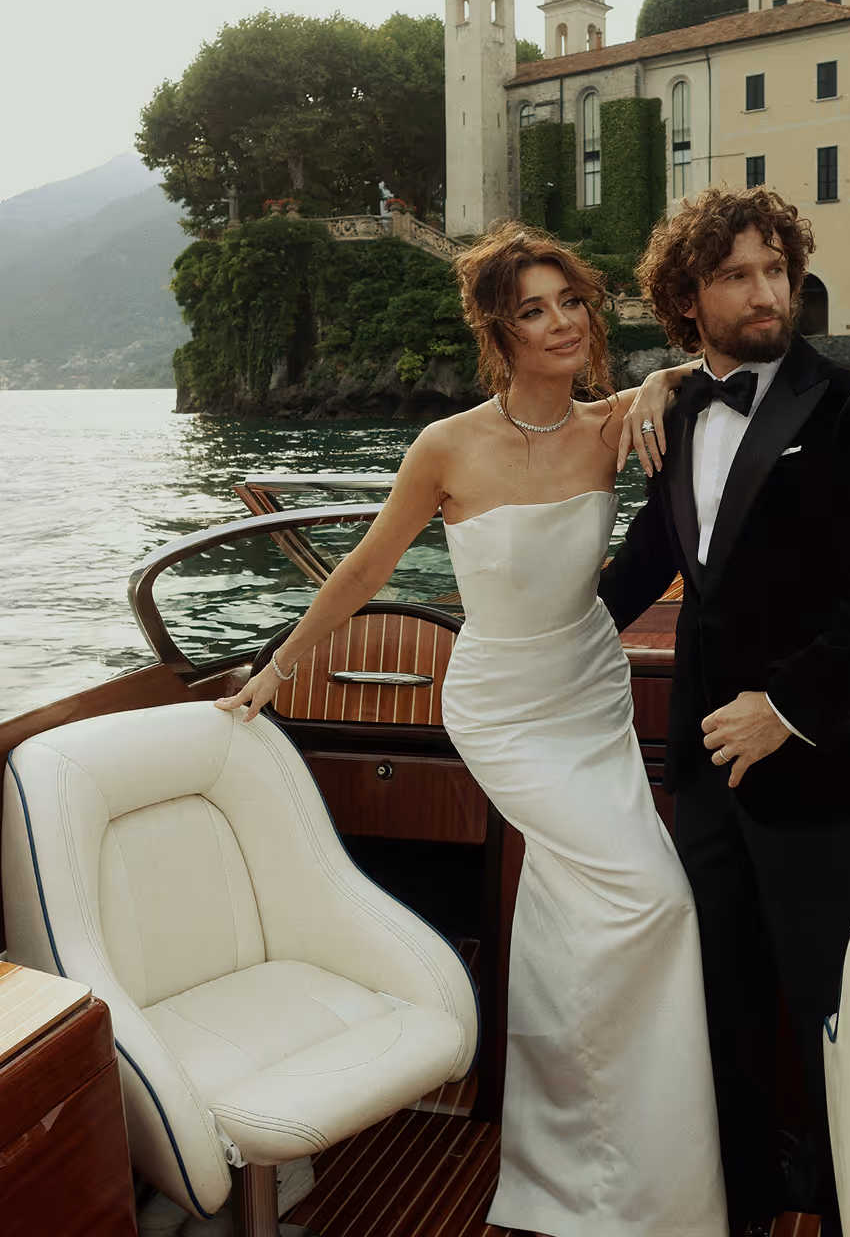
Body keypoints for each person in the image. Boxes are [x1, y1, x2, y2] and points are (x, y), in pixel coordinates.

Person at [216, 224, 728, 1237]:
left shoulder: (617, 422)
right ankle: (614, 1162)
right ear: (499, 332)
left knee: (567, 915)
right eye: (533, 310)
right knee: (657, 899)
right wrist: (278, 669)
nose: (561, 324)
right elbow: (363, 571)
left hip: (590, 689)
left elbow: (708, 378)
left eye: (571, 302)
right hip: (500, 707)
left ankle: (597, 1163)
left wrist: (670, 373)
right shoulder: (445, 446)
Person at [601, 186, 850, 1237]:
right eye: (736, 275)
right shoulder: (670, 410)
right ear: (687, 298)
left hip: (819, 771)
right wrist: (526, 651)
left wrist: (785, 708)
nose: (765, 293)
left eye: (776, 270)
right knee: (726, 1010)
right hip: (700, 773)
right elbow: (647, 568)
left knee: (833, 1021)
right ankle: (741, 1205)